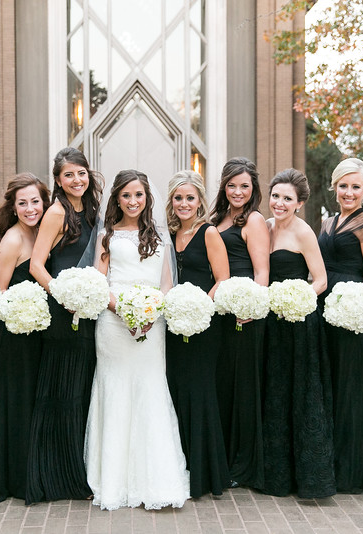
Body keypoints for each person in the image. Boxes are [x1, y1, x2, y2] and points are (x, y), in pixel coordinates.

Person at [84, 169, 189, 510]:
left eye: (139, 195)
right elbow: (100, 283)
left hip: (151, 323)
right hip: (113, 324)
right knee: (114, 390)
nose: (133, 201)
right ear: (117, 198)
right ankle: (112, 481)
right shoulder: (107, 236)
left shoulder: (159, 235)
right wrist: (125, 312)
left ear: (148, 198)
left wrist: (149, 313)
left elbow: (166, 284)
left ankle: (154, 479)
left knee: (150, 390)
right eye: (126, 195)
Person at [27, 147, 102, 503]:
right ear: (58, 181)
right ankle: (57, 477)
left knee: (82, 393)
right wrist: (63, 295)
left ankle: (79, 471)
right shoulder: (56, 213)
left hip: (88, 312)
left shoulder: (94, 213)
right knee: (62, 394)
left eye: (81, 173)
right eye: (69, 175)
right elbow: (37, 265)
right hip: (62, 313)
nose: (77, 180)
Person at [0, 173, 50, 504]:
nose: (30, 208)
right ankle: (16, 480)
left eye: (35, 201)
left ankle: (34, 473)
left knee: (36, 404)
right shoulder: (13, 239)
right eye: (23, 203)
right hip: (16, 335)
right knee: (17, 404)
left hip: (41, 334)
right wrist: (21, 314)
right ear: (13, 207)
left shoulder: (45, 234)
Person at [262, 168, 336, 498]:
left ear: (299, 203)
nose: (279, 203)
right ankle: (274, 475)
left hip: (297, 322)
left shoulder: (304, 232)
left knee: (299, 393)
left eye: (287, 199)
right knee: (274, 393)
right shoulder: (264, 227)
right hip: (269, 323)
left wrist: (298, 299)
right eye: (275, 196)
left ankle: (305, 477)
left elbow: (320, 279)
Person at [317, 158, 363, 493]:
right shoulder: (328, 222)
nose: (348, 192)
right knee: (331, 384)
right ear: (334, 187)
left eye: (355, 187)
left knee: (351, 389)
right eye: (343, 185)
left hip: (351, 315)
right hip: (324, 311)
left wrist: (352, 309)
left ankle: (354, 469)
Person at [164, 170, 231, 499]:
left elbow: (222, 279)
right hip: (175, 325)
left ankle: (207, 476)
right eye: (178, 197)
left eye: (190, 198)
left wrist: (198, 308)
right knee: (177, 392)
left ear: (200, 201)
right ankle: (184, 467)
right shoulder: (171, 233)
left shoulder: (209, 233)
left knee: (200, 392)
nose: (184, 203)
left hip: (204, 324)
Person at [210, 157, 269, 489]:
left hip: (244, 316)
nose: (237, 191)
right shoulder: (217, 218)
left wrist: (253, 307)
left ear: (253, 189)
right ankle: (224, 457)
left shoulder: (255, 220)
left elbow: (261, 273)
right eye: (231, 185)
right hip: (220, 314)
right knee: (224, 386)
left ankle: (242, 466)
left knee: (243, 389)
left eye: (244, 186)